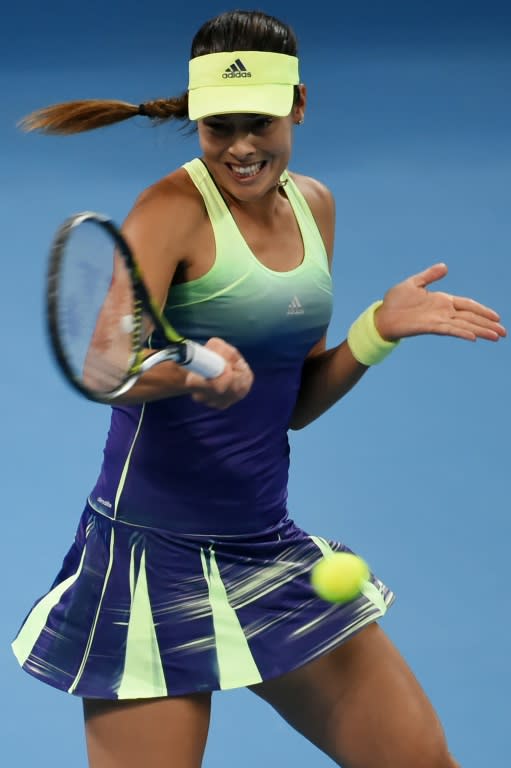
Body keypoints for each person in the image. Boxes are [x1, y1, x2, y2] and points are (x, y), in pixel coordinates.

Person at [12, 9, 506, 768]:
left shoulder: (315, 207)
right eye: (218, 128)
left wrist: (377, 328)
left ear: (297, 105)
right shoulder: (169, 209)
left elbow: (295, 403)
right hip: (149, 562)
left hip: (262, 549)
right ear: (196, 122)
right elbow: (104, 367)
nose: (240, 149)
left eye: (259, 123)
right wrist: (186, 375)